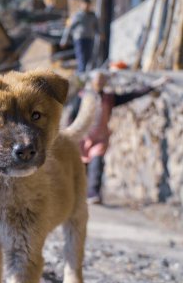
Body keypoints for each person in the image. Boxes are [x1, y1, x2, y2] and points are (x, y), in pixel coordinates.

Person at [68, 72, 170, 204]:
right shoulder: (82, 96)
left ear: (105, 83)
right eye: (97, 80)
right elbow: (72, 116)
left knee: (97, 165)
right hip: (82, 139)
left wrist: (155, 85)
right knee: (80, 168)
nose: (99, 83)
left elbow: (132, 95)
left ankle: (93, 193)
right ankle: (76, 194)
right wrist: (69, 135)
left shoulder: (109, 98)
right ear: (93, 81)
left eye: (102, 81)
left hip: (100, 139)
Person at [60, 0, 101, 73]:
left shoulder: (93, 16)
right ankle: (81, 74)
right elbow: (69, 27)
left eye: (88, 5)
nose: (87, 6)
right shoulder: (77, 15)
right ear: (82, 5)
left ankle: (85, 74)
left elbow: (97, 27)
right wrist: (64, 40)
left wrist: (100, 34)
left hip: (90, 39)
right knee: (81, 57)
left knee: (89, 58)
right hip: (79, 39)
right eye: (85, 4)